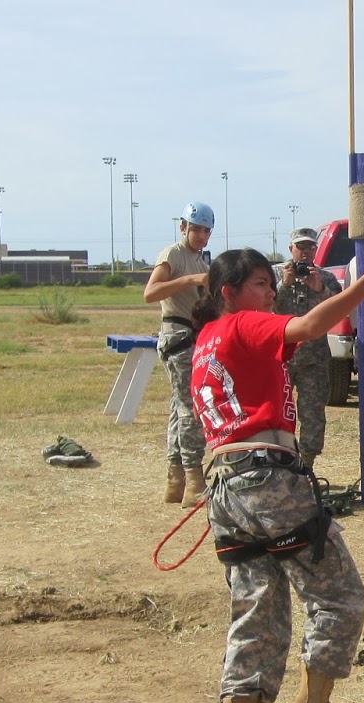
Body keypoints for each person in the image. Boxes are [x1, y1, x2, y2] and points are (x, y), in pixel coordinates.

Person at [189, 246, 364, 703]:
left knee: (256, 605)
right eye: (260, 284)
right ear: (228, 293)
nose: (270, 293)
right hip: (267, 477)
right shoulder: (242, 325)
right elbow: (311, 326)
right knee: (338, 594)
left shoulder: (205, 341)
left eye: (271, 284)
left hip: (225, 485)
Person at [142, 202, 214, 507]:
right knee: (190, 409)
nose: (200, 235)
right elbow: (150, 293)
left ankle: (176, 482)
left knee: (178, 408)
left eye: (206, 231)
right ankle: (194, 479)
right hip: (178, 336)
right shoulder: (173, 255)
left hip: (191, 336)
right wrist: (188, 281)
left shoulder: (199, 260)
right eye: (195, 229)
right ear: (183, 227)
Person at [271, 228, 345, 472]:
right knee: (275, 412)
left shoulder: (325, 278)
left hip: (314, 358)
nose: (305, 252)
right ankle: (279, 463)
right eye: (300, 247)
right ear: (290, 248)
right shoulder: (275, 276)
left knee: (313, 413)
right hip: (281, 358)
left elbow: (339, 308)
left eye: (310, 247)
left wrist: (319, 289)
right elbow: (265, 307)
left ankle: (307, 465)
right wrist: (285, 284)